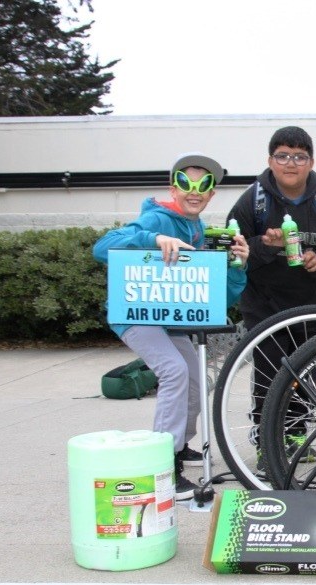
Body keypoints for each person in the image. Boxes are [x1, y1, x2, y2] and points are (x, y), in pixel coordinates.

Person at [93, 153, 248, 501]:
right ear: (172, 187)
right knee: (175, 371)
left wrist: (238, 265)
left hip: (173, 319)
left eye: (203, 185)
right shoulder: (157, 217)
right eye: (185, 183)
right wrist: (152, 239)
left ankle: (178, 444)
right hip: (137, 315)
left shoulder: (199, 230)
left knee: (196, 378)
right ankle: (161, 463)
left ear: (211, 194)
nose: (194, 191)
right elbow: (102, 248)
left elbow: (215, 297)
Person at [227, 126, 316, 457]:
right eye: (283, 156)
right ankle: (266, 441)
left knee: (301, 370)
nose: (291, 163)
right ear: (270, 160)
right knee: (269, 372)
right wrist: (265, 246)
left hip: (308, 304)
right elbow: (232, 250)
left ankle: (296, 434)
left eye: (299, 156)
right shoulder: (251, 200)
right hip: (263, 305)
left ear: (311, 162)